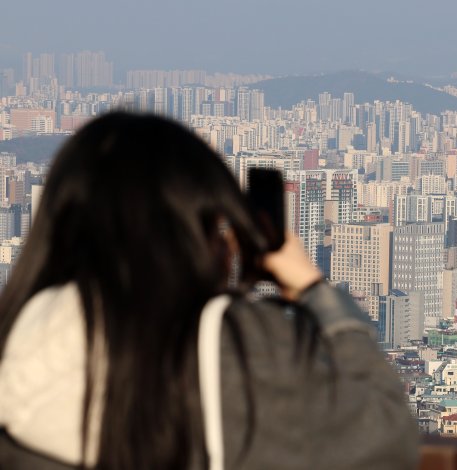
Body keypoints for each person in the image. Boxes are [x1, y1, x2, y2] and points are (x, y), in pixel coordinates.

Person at [0, 112, 419, 469]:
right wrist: (313, 289)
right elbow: (388, 439)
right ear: (197, 235)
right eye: (220, 226)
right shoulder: (236, 351)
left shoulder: (16, 336)